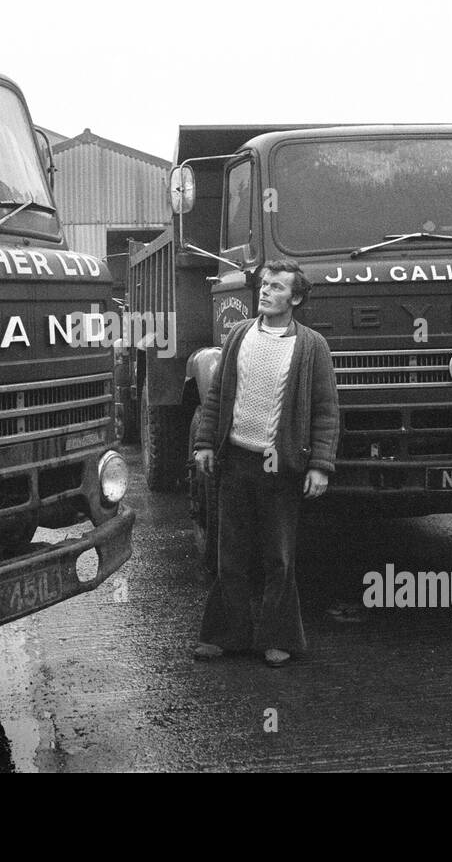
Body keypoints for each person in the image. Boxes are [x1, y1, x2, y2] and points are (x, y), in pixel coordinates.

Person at [191, 259, 339, 667]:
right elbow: (217, 394)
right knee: (230, 554)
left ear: (296, 297)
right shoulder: (238, 335)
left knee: (279, 557)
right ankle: (225, 636)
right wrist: (205, 444)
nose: (266, 291)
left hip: (282, 466)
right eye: (264, 285)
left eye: (276, 287)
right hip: (236, 460)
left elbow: (326, 411)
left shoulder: (311, 346)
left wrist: (319, 466)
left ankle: (278, 638)